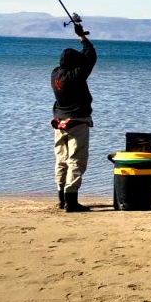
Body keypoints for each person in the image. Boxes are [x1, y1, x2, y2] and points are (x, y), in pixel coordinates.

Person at [51, 22, 97, 212]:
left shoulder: (55, 73)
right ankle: (71, 201)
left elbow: (84, 59)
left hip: (59, 122)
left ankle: (61, 199)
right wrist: (82, 36)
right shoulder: (77, 75)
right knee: (76, 160)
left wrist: (79, 36)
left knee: (61, 160)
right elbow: (91, 56)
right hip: (77, 121)